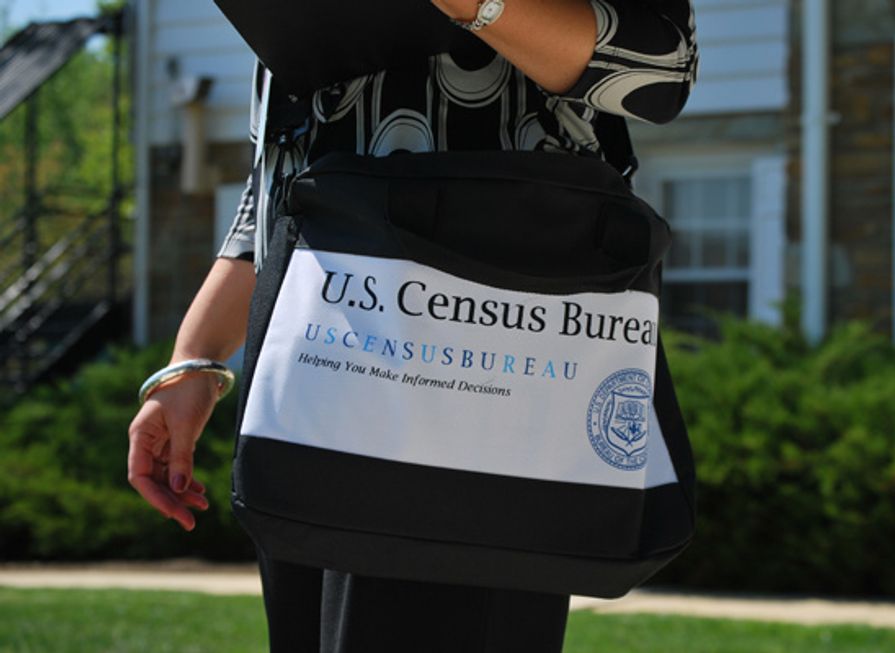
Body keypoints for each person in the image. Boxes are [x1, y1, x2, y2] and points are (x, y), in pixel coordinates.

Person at [127, 0, 698, 651]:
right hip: (319, 370)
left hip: (481, 366)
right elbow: (282, 177)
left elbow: (661, 68)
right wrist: (194, 357)